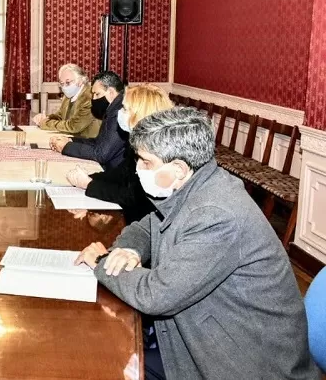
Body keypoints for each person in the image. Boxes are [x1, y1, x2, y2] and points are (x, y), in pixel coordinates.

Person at [75, 107, 319, 380]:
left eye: (145, 162)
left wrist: (102, 261)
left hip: (241, 363)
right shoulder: (192, 187)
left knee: (102, 363)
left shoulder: (217, 215)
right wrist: (129, 249)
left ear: (178, 168)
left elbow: (155, 295)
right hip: (201, 337)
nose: (137, 169)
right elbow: (145, 227)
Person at [65, 84, 173, 224]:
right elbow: (120, 175)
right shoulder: (135, 141)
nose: (120, 113)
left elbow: (134, 197)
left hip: (147, 223)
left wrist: (89, 184)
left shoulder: (159, 151)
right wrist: (87, 178)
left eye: (125, 109)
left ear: (141, 113)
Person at [51, 71, 128, 170]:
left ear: (111, 92)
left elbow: (101, 154)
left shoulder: (118, 113)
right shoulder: (113, 109)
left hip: (116, 174)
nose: (94, 99)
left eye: (97, 94)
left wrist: (66, 147)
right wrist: (70, 140)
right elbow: (98, 142)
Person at [31, 63, 100, 138]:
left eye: (68, 82)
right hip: (71, 139)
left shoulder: (90, 96)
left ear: (80, 81)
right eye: (62, 83)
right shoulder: (68, 96)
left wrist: (45, 123)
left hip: (88, 142)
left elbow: (73, 126)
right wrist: (45, 118)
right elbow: (60, 116)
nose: (64, 87)